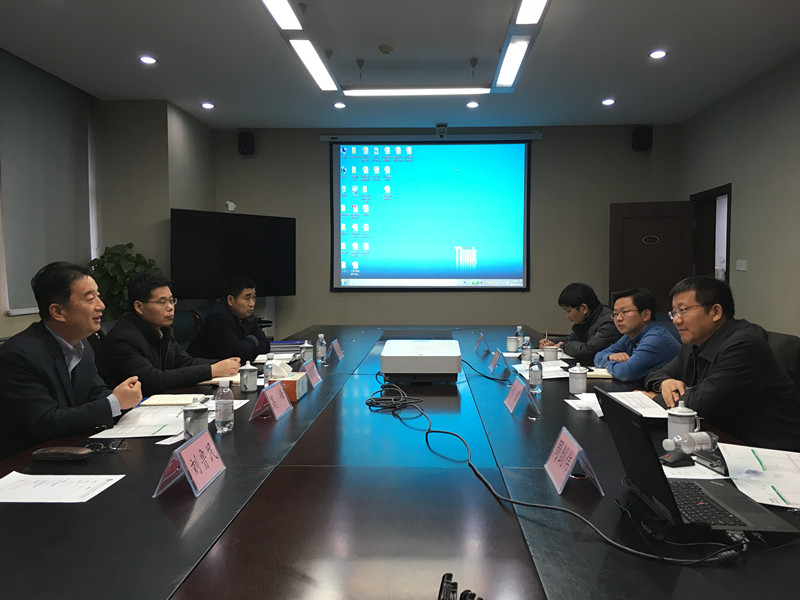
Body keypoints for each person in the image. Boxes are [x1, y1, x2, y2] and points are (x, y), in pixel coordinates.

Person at [0, 262, 142, 458]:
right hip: (27, 462)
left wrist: (123, 399)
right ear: (58, 312)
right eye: (90, 299)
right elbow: (44, 422)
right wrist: (114, 403)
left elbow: (95, 392)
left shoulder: (81, 344)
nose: (101, 306)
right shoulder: (19, 355)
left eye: (98, 296)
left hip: (72, 450)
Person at [644, 276, 800, 451]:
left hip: (771, 451)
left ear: (716, 312)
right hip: (721, 439)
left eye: (683, 310)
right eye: (674, 313)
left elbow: (698, 405)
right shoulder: (694, 343)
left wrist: (653, 398)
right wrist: (665, 383)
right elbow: (655, 375)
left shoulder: (744, 345)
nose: (676, 320)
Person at [98, 271, 240, 396]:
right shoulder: (123, 338)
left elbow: (185, 362)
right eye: (162, 302)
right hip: (131, 411)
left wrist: (225, 364)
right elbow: (153, 380)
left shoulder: (163, 330)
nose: (170, 307)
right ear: (139, 307)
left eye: (172, 301)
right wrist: (211, 370)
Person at [594, 288, 680, 384]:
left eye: (625, 312)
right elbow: (598, 357)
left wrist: (608, 362)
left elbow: (626, 373)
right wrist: (609, 357)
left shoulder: (655, 338)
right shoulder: (630, 335)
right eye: (615, 314)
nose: (618, 318)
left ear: (646, 315)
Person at [188, 276, 271, 362]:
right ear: (230, 300)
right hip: (206, 367)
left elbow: (265, 345)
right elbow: (237, 353)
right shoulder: (218, 318)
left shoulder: (246, 315)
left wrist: (246, 345)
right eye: (247, 298)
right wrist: (253, 340)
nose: (252, 304)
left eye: (253, 297)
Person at [539, 282, 620, 364]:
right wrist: (553, 342)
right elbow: (574, 338)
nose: (567, 316)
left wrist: (563, 346)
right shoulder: (589, 319)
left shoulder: (608, 323)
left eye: (568, 311)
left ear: (583, 308)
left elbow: (588, 351)